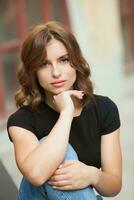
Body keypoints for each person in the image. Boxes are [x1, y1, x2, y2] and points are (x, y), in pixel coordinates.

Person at [7, 21, 122, 200]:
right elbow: (36, 174)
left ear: (76, 62)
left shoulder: (104, 109)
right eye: (44, 64)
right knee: (56, 149)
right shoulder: (21, 121)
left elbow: (114, 186)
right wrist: (66, 112)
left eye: (64, 60)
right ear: (33, 71)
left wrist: (92, 175)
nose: (56, 72)